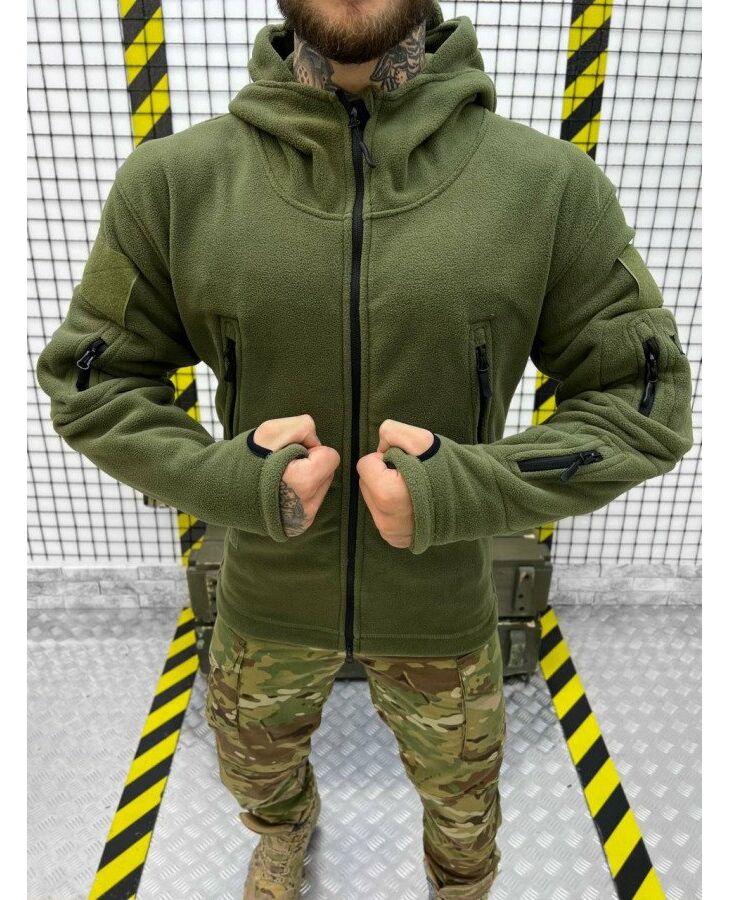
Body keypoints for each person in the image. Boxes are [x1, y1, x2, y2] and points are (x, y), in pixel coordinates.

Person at [35, 0, 694, 896]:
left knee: (464, 804)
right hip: (264, 604)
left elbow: (643, 404)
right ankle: (284, 835)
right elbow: (92, 382)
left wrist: (465, 491)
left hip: (443, 612)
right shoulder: (175, 185)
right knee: (254, 773)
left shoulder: (549, 190)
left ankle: (460, 885)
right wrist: (230, 482)